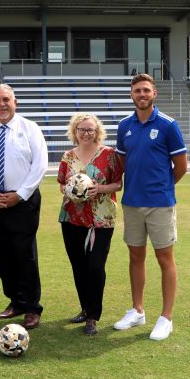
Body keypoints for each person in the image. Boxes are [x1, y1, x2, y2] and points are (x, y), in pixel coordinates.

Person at [113, 73, 187, 341]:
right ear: (131, 95)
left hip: (160, 204)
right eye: (136, 91)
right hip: (132, 204)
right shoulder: (124, 126)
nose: (141, 95)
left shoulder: (168, 125)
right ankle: (138, 310)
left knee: (164, 259)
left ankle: (166, 317)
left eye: (146, 90)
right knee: (135, 257)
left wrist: (162, 188)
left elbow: (181, 167)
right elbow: (121, 164)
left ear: (154, 93)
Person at [0, 84, 48, 330]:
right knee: (2, 256)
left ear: (14, 102)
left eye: (6, 100)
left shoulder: (30, 129)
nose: (1, 104)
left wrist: (20, 194)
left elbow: (39, 165)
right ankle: (15, 301)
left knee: (24, 255)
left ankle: (31, 307)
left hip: (22, 202)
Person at [57, 113, 123, 335]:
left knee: (95, 267)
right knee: (79, 266)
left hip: (101, 218)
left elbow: (118, 183)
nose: (86, 133)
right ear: (74, 131)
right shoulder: (67, 156)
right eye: (81, 129)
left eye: (90, 130)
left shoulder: (109, 154)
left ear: (97, 132)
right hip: (72, 218)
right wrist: (70, 189)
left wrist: (98, 189)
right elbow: (60, 184)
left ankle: (93, 316)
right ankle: (85, 309)